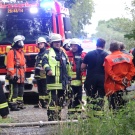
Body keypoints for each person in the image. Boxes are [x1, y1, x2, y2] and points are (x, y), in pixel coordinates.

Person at [42, 33, 72, 121]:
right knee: (53, 100)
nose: (57, 43)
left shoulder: (63, 53)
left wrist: (69, 78)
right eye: (55, 42)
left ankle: (57, 115)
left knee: (61, 100)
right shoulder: (48, 52)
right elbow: (44, 62)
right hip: (53, 81)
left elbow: (68, 66)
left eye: (58, 42)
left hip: (62, 81)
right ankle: (51, 117)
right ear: (52, 43)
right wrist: (48, 69)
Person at [104, 41, 135, 110]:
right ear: (119, 48)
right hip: (126, 86)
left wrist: (120, 81)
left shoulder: (108, 58)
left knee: (114, 108)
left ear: (110, 49)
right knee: (124, 108)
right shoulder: (129, 57)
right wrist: (126, 79)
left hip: (113, 87)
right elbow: (133, 71)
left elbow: (109, 73)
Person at [81, 38, 108, 114]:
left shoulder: (89, 54)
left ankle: (91, 115)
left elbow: (82, 67)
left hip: (90, 78)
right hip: (102, 79)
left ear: (96, 45)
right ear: (104, 45)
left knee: (90, 97)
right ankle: (99, 115)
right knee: (100, 97)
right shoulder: (107, 55)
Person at [66, 38, 86, 114]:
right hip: (69, 80)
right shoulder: (67, 54)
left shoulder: (83, 55)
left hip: (79, 80)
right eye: (72, 46)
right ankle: (71, 112)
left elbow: (85, 67)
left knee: (78, 96)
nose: (74, 47)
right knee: (70, 97)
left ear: (79, 46)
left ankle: (78, 111)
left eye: (75, 46)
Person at [6, 35, 26, 111]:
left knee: (21, 89)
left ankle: (19, 103)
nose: (22, 43)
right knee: (14, 90)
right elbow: (10, 64)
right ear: (16, 43)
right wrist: (12, 74)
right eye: (20, 42)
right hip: (14, 73)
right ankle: (12, 104)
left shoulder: (21, 52)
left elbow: (23, 63)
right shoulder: (11, 52)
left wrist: (24, 72)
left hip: (21, 73)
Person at [34, 37, 49, 109]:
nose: (40, 45)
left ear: (45, 44)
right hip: (38, 74)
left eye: (41, 44)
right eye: (39, 44)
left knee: (45, 89)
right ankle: (41, 103)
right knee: (40, 90)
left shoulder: (47, 52)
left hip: (44, 74)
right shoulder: (39, 53)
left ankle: (45, 102)